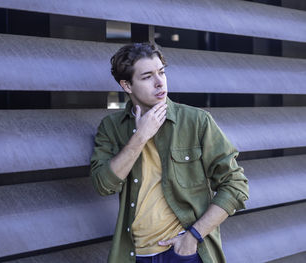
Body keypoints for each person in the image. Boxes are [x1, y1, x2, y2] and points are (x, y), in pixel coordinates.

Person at [90, 43, 249, 263]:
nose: (159, 82)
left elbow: (236, 185)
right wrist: (140, 137)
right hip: (135, 255)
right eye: (147, 77)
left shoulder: (196, 121)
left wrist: (193, 237)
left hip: (184, 253)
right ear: (127, 85)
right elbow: (104, 185)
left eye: (162, 72)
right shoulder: (112, 127)